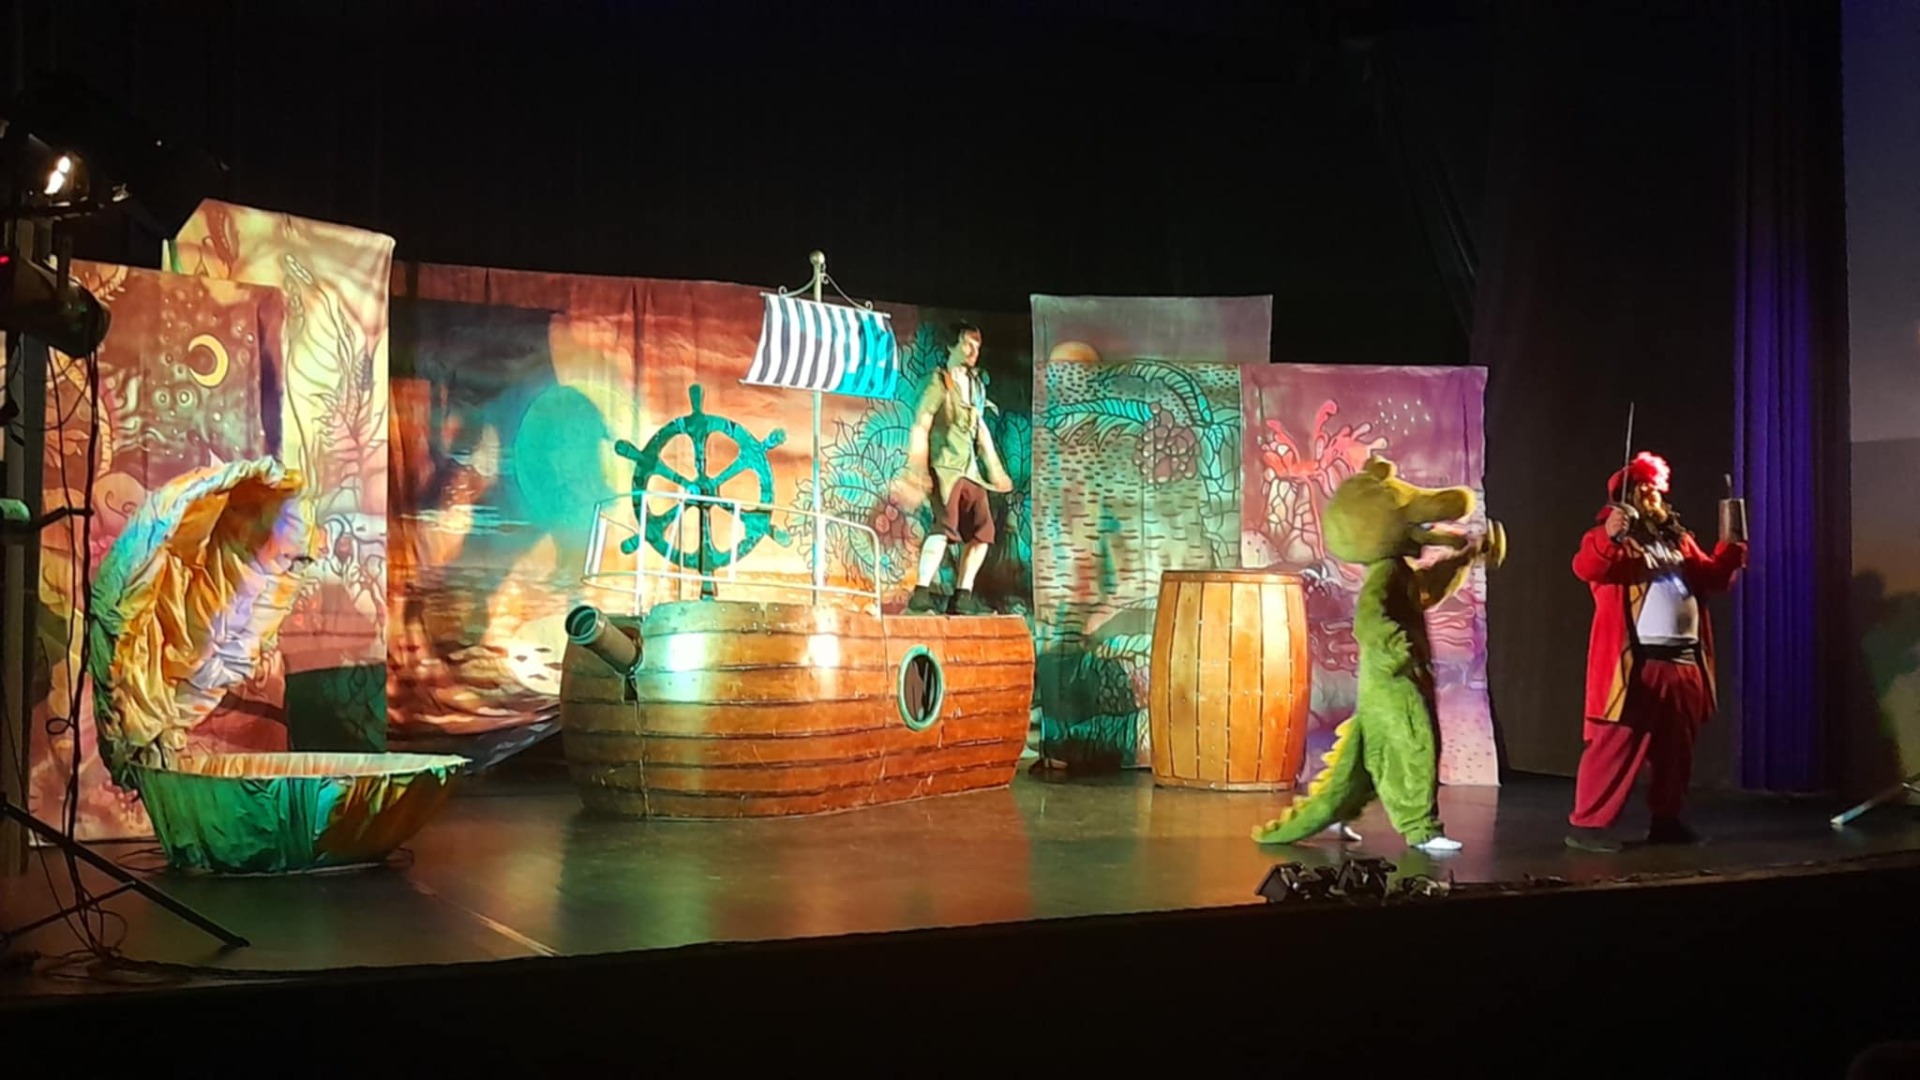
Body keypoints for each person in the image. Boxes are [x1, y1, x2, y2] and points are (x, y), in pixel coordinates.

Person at [1565, 451, 1748, 852]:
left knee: (1676, 750)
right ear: (1626, 496)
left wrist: (1732, 545)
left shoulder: (1677, 541)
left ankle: (1667, 819)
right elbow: (1588, 567)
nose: (1652, 494)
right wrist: (1611, 534)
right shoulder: (1612, 541)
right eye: (1643, 488)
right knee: (1616, 744)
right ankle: (1588, 825)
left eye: (1655, 488)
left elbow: (1714, 578)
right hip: (1636, 665)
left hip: (1683, 662)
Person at [891, 322, 1011, 615]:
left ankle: (962, 595)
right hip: (944, 469)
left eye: (977, 346)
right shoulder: (940, 382)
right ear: (951, 346)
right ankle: (921, 593)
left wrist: (995, 469)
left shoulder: (975, 386)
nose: (973, 351)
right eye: (967, 344)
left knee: (983, 532)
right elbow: (921, 423)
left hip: (970, 471)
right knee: (945, 527)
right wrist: (917, 468)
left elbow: (980, 430)